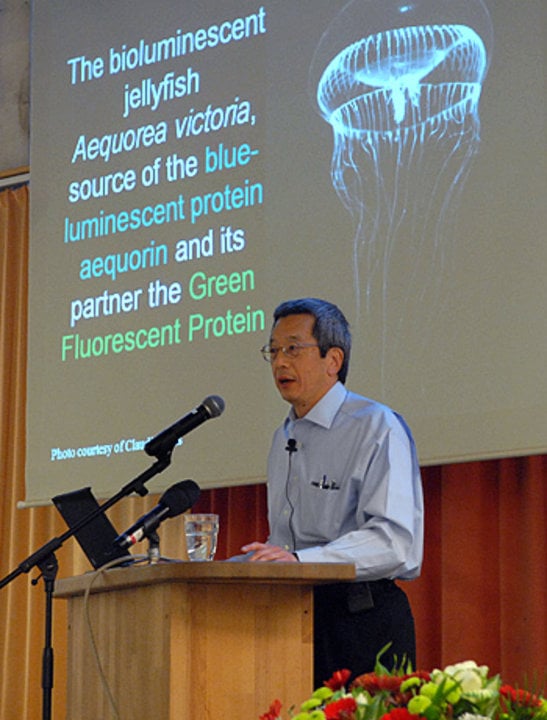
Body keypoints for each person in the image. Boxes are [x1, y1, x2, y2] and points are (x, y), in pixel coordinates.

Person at [241, 297, 424, 685]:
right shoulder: (283, 436)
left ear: (333, 360)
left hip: (362, 620)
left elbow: (393, 541)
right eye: (273, 351)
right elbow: (286, 542)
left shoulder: (376, 426)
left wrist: (299, 561)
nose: (280, 362)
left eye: (293, 348)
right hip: (295, 619)